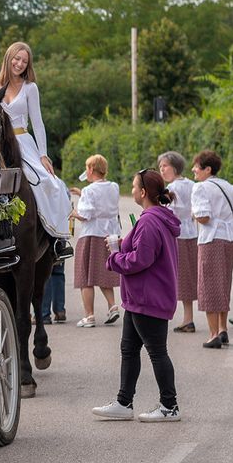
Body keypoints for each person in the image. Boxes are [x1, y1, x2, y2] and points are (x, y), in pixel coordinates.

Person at [92, 169, 181, 423]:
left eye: (133, 186)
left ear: (143, 192)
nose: (131, 190)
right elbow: (143, 248)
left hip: (148, 297)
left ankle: (169, 405)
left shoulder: (150, 220)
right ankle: (124, 402)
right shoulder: (154, 218)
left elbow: (141, 259)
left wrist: (114, 256)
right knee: (129, 349)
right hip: (140, 297)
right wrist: (122, 243)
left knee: (156, 351)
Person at [0, 42, 72, 241]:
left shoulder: (30, 88)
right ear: (8, 58)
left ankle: (54, 238)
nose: (20, 63)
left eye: (24, 61)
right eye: (17, 58)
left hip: (22, 140)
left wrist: (43, 154)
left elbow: (38, 124)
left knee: (49, 182)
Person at [191, 150, 233, 349]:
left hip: (211, 238)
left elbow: (204, 217)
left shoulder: (200, 189)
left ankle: (213, 333)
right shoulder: (231, 188)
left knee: (209, 285)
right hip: (231, 238)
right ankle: (223, 329)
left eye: (197, 166)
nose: (194, 170)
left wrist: (194, 213)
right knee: (223, 282)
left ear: (208, 169)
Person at [69, 154, 121, 327]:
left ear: (91, 169)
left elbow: (85, 215)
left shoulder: (90, 190)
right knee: (104, 272)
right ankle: (113, 306)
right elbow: (102, 196)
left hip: (91, 234)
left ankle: (89, 315)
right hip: (110, 235)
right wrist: (82, 192)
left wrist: (72, 212)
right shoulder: (114, 187)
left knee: (86, 276)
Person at [157, 151, 199, 333]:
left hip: (178, 236)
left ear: (175, 167)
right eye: (160, 167)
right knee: (187, 275)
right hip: (191, 233)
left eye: (164, 166)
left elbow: (170, 214)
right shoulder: (192, 184)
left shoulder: (172, 188)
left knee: (179, 276)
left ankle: (186, 318)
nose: (162, 170)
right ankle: (187, 317)